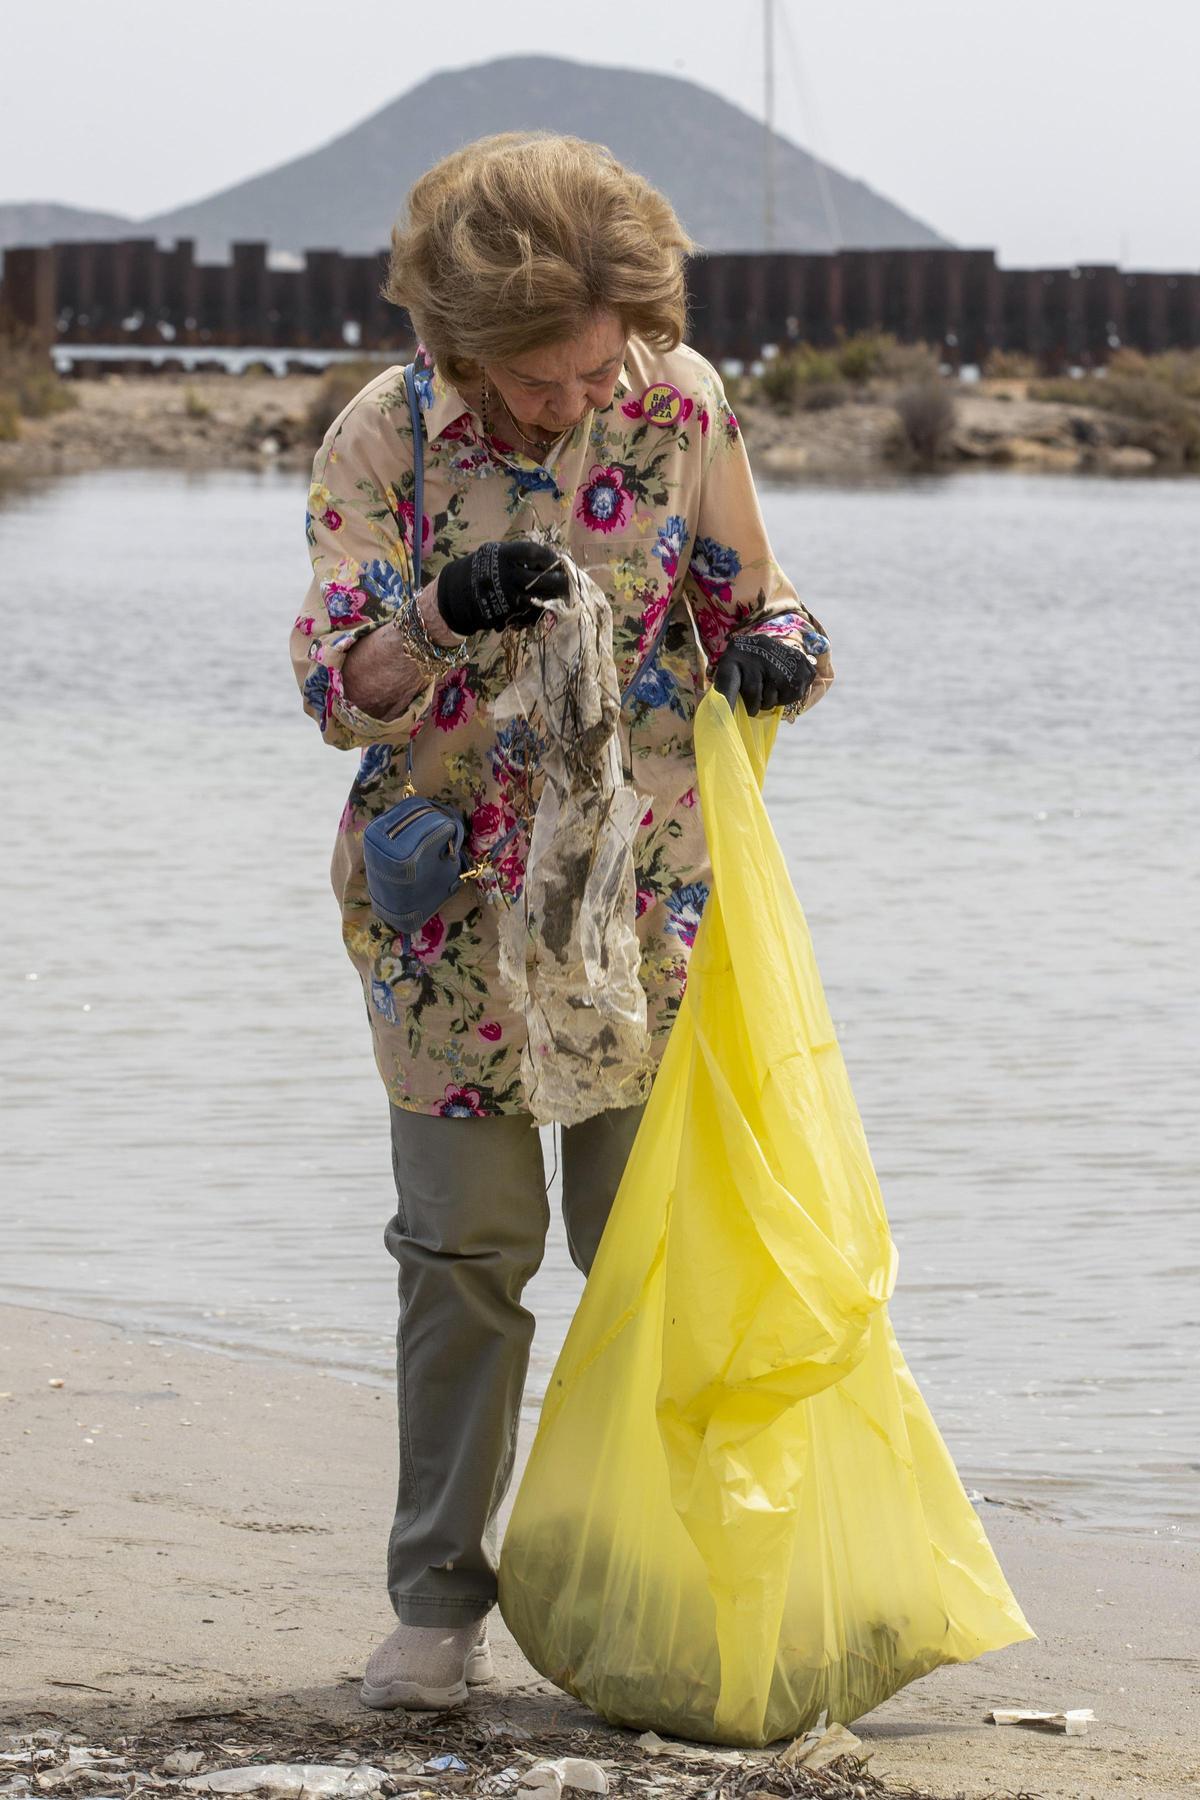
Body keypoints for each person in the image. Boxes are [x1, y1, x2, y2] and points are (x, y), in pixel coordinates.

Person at [290, 131, 835, 1713]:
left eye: (604, 366)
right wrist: (445, 610)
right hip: (447, 918)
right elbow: (338, 693)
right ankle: (436, 1610)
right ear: (459, 342)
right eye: (546, 380)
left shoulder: (681, 397)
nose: (582, 402)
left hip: (639, 913)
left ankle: (646, 1596)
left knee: (645, 1252)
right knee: (466, 1252)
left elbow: (763, 600)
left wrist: (781, 655)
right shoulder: (376, 444)